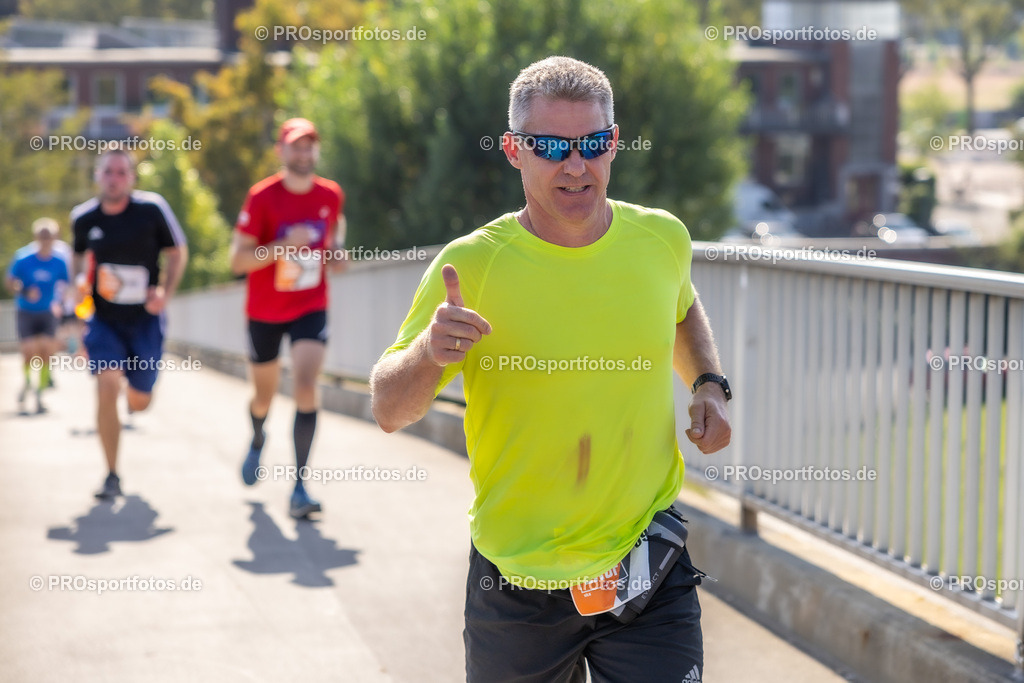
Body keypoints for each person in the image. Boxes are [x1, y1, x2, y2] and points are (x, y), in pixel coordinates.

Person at [369, 56, 732, 682]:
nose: (575, 165)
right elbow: (387, 409)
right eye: (550, 147)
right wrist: (430, 352)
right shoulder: (472, 266)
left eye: (592, 144)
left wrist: (707, 384)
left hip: (645, 567)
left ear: (613, 143)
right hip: (519, 584)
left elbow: (681, 304)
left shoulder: (661, 239)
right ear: (514, 150)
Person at [229, 118, 346, 519]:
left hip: (310, 305)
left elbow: (333, 236)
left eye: (309, 146)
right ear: (281, 151)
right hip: (264, 311)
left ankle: (299, 486)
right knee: (263, 395)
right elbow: (238, 260)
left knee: (306, 384)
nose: (303, 153)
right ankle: (258, 435)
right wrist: (281, 247)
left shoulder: (330, 194)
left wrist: (337, 254)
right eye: (296, 146)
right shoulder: (262, 197)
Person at [70, 148, 188, 499]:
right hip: (104, 320)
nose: (115, 178)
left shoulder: (151, 211)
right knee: (106, 385)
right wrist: (78, 285)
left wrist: (164, 293)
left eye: (122, 172)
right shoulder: (84, 219)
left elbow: (177, 251)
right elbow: (77, 259)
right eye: (108, 171)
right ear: (97, 176)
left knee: (139, 401)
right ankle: (111, 474)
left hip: (145, 321)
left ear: (132, 177)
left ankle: (131, 389)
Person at [5, 218, 70, 414]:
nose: (45, 241)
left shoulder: (59, 261)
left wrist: (61, 304)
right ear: (36, 238)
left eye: (49, 237)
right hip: (26, 311)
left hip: (48, 312)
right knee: (28, 351)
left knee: (45, 353)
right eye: (42, 237)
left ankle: (39, 395)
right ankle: (26, 383)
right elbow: (10, 282)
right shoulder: (23, 258)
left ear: (54, 238)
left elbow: (65, 285)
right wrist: (24, 292)